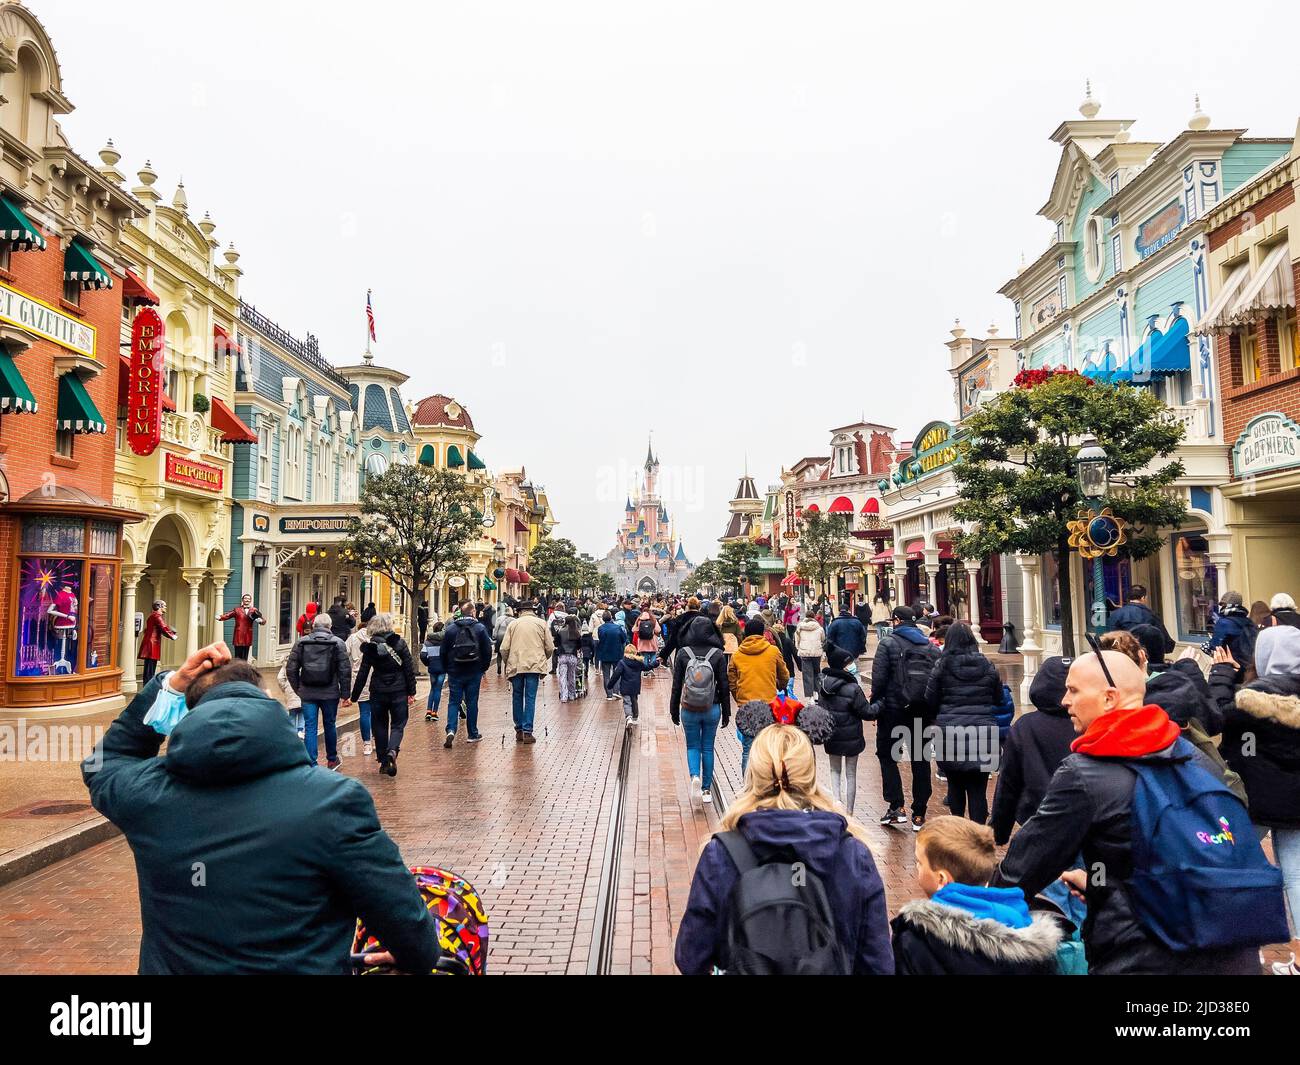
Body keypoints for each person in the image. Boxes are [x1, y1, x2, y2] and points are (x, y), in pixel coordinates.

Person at [81, 645, 441, 975]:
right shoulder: (333, 801)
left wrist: (170, 687)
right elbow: (405, 924)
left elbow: (103, 763)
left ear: (187, 714)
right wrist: (413, 957)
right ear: (269, 702)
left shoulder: (152, 795)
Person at [991, 651, 1264, 975]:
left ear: (1109, 699)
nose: (1065, 701)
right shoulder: (1189, 752)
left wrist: (970, 916)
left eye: (1074, 690)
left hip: (1146, 956)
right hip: (1231, 948)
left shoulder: (1085, 773)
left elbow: (1021, 869)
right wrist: (1102, 885)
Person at [673, 724, 894, 975]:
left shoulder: (721, 855)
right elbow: (879, 963)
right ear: (810, 776)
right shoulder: (853, 855)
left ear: (754, 775)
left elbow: (690, 956)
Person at [892, 816, 1065, 975]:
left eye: (920, 863)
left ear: (941, 878)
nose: (917, 867)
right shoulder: (1027, 933)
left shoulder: (917, 938)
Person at [1220, 626, 1300, 950]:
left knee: (1231, 864)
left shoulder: (1250, 699)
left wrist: (1223, 675)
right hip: (1296, 803)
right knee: (1296, 875)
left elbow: (1217, 715)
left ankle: (1233, 937)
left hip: (1253, 799)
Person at [990, 657, 1077, 846]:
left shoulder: (1025, 727)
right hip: (1083, 826)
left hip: (1039, 823)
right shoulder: (1089, 723)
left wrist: (1000, 831)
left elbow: (1008, 784)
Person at [924, 621, 1003, 825]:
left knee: (955, 787)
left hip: (950, 733)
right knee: (978, 790)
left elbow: (930, 701)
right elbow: (999, 698)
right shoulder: (987, 665)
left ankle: (958, 835)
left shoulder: (941, 666)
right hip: (982, 732)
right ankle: (978, 836)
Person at [870, 606, 939, 832]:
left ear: (897, 620)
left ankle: (896, 806)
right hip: (922, 710)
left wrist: (876, 705)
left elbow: (879, 680)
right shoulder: (930, 647)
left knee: (888, 755)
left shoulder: (888, 643)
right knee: (920, 759)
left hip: (893, 710)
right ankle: (919, 813)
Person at [670, 609, 731, 805]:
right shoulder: (718, 654)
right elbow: (724, 684)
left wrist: (673, 709)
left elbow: (677, 684)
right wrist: (727, 712)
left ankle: (694, 776)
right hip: (712, 707)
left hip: (689, 707)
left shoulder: (683, 653)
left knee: (693, 746)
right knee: (707, 747)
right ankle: (706, 789)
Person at [350, 613, 416, 777]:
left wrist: (354, 696)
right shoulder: (399, 644)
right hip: (398, 690)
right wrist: (411, 691)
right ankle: (392, 751)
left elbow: (363, 673)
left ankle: (383, 760)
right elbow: (409, 669)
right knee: (398, 724)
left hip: (378, 690)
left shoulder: (370, 647)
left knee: (379, 724)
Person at [285, 613, 351, 770]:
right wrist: (345, 694)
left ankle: (311, 762)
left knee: (310, 727)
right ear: (330, 626)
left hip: (308, 692)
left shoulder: (301, 643)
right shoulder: (338, 643)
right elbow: (344, 671)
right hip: (330, 692)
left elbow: (291, 668)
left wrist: (298, 688)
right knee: (330, 724)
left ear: (314, 625)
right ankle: (332, 759)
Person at [728, 616, 790, 773]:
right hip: (768, 705)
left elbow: (732, 682)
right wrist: (779, 686)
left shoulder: (737, 655)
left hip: (746, 706)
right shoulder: (772, 651)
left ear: (745, 634)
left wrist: (739, 697)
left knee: (748, 749)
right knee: (768, 747)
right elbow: (784, 675)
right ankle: (768, 782)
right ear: (763, 633)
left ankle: (748, 787)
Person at [820, 644, 874, 814]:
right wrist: (881, 703)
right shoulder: (853, 688)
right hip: (852, 737)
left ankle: (837, 805)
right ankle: (849, 812)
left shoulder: (823, 685)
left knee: (834, 770)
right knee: (851, 774)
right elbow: (867, 712)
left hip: (832, 735)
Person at [499, 600, 552, 744]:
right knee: (530, 697)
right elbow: (550, 647)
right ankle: (528, 731)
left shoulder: (513, 624)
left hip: (516, 665)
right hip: (534, 666)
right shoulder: (541, 623)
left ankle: (519, 729)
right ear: (533, 610)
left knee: (517, 696)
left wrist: (508, 661)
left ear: (520, 611)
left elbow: (503, 648)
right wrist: (542, 659)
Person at [442, 603, 493, 748]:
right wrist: (483, 668)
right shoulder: (480, 628)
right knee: (472, 702)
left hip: (455, 671)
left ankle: (451, 729)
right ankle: (472, 733)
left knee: (454, 702)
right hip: (474, 670)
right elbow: (487, 650)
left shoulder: (451, 629)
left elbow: (443, 651)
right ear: (473, 612)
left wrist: (447, 667)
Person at [1200, 591, 1257, 682]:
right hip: (1250, 670)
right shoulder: (1249, 622)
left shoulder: (1223, 623)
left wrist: (1205, 646)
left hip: (1231, 669)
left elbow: (1214, 648)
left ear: (1227, 605)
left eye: (1223, 605)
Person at [1107, 584, 1175, 654]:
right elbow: (1167, 645)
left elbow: (1109, 641)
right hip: (1146, 658)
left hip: (1123, 658)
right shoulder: (1152, 615)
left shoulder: (1115, 615)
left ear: (1128, 598)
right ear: (1143, 598)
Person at [344, 620, 375, 758]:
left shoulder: (353, 638)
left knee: (364, 712)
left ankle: (366, 743)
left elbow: (344, 654)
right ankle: (376, 739)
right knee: (376, 712)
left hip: (359, 677)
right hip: (375, 676)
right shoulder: (374, 639)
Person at [611, 642, 655, 726]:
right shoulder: (638, 662)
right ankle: (635, 717)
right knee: (634, 701)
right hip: (635, 686)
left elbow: (616, 674)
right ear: (635, 652)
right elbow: (647, 667)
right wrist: (656, 663)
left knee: (627, 702)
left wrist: (610, 685)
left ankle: (629, 717)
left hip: (625, 686)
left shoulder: (622, 662)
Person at [139, 600, 178, 684]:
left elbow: (159, 629)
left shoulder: (152, 616)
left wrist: (170, 633)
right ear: (159, 606)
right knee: (150, 669)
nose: (165, 608)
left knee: (149, 668)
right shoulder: (157, 616)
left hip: (150, 644)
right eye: (164, 606)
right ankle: (148, 687)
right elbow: (163, 627)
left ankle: (146, 686)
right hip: (152, 644)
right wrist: (172, 636)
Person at [218, 594, 266, 661]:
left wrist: (261, 621)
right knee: (238, 655)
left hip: (248, 634)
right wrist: (220, 617)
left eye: (248, 599)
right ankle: (237, 669)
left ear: (250, 600)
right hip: (238, 634)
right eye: (245, 598)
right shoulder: (237, 609)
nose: (247, 600)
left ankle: (244, 669)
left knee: (245, 655)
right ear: (242, 600)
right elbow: (228, 615)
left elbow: (262, 620)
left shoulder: (254, 610)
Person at [595, 610, 628, 701]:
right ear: (611, 617)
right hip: (617, 653)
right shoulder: (618, 627)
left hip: (605, 654)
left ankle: (609, 694)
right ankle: (616, 692)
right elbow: (624, 639)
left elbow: (600, 639)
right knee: (617, 673)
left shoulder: (601, 628)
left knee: (606, 675)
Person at [794, 614, 826, 699]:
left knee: (807, 675)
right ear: (813, 617)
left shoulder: (800, 628)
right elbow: (823, 639)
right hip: (816, 653)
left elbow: (797, 640)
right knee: (817, 672)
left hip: (805, 652)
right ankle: (817, 693)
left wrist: (799, 648)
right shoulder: (819, 628)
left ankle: (810, 697)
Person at [421, 622, 447, 722]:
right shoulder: (445, 642)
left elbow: (423, 655)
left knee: (432, 689)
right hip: (442, 668)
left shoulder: (427, 641)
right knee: (438, 690)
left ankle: (428, 711)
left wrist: (428, 663)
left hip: (432, 668)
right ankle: (434, 712)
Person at [554, 612, 583, 702]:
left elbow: (556, 643)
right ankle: (572, 695)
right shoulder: (576, 632)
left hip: (563, 655)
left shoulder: (560, 631)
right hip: (573, 656)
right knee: (572, 676)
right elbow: (579, 645)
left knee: (562, 676)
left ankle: (564, 696)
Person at [633, 601, 661, 673]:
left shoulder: (639, 620)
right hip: (652, 640)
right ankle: (651, 668)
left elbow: (634, 630)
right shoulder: (653, 619)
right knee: (653, 654)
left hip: (642, 641)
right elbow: (658, 630)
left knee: (644, 655)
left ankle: (645, 671)